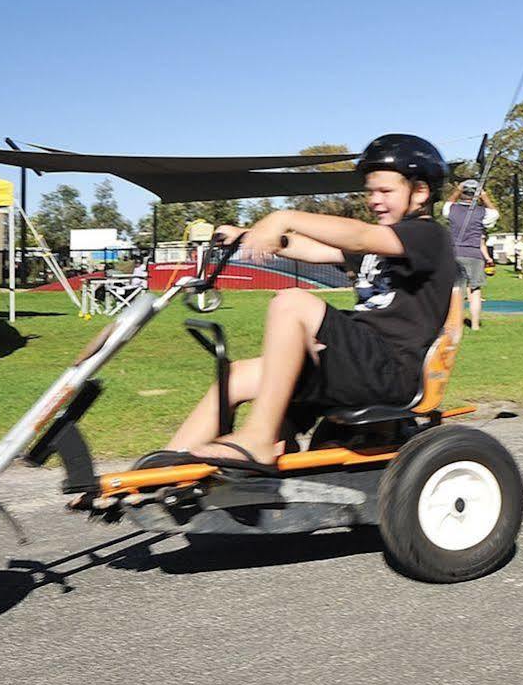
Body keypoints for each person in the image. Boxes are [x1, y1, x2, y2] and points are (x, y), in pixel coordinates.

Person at [154, 134, 456, 471]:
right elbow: (314, 250)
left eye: (385, 192)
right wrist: (248, 235)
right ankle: (167, 469)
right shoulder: (386, 241)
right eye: (370, 192)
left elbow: (360, 236)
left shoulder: (427, 236)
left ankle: (259, 438)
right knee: (237, 376)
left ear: (421, 192)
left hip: (390, 371)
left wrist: (285, 216)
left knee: (292, 303)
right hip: (357, 364)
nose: (374, 200)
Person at [441, 179, 496, 330]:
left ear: (462, 194)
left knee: (455, 291)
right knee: (475, 291)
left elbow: (447, 204)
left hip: (454, 254)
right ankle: (475, 325)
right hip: (474, 254)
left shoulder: (452, 209)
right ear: (475, 195)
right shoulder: (482, 212)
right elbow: (495, 213)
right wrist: (484, 196)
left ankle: (453, 323)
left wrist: (457, 190)